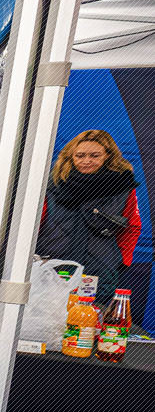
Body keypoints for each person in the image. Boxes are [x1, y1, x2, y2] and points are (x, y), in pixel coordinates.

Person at [37, 129, 141, 302]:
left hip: (98, 272)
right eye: (80, 156)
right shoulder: (52, 184)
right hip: (51, 267)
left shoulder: (123, 188)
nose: (86, 161)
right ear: (70, 156)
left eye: (94, 156)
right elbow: (34, 224)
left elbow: (132, 227)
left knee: (88, 317)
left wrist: (121, 260)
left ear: (108, 156)